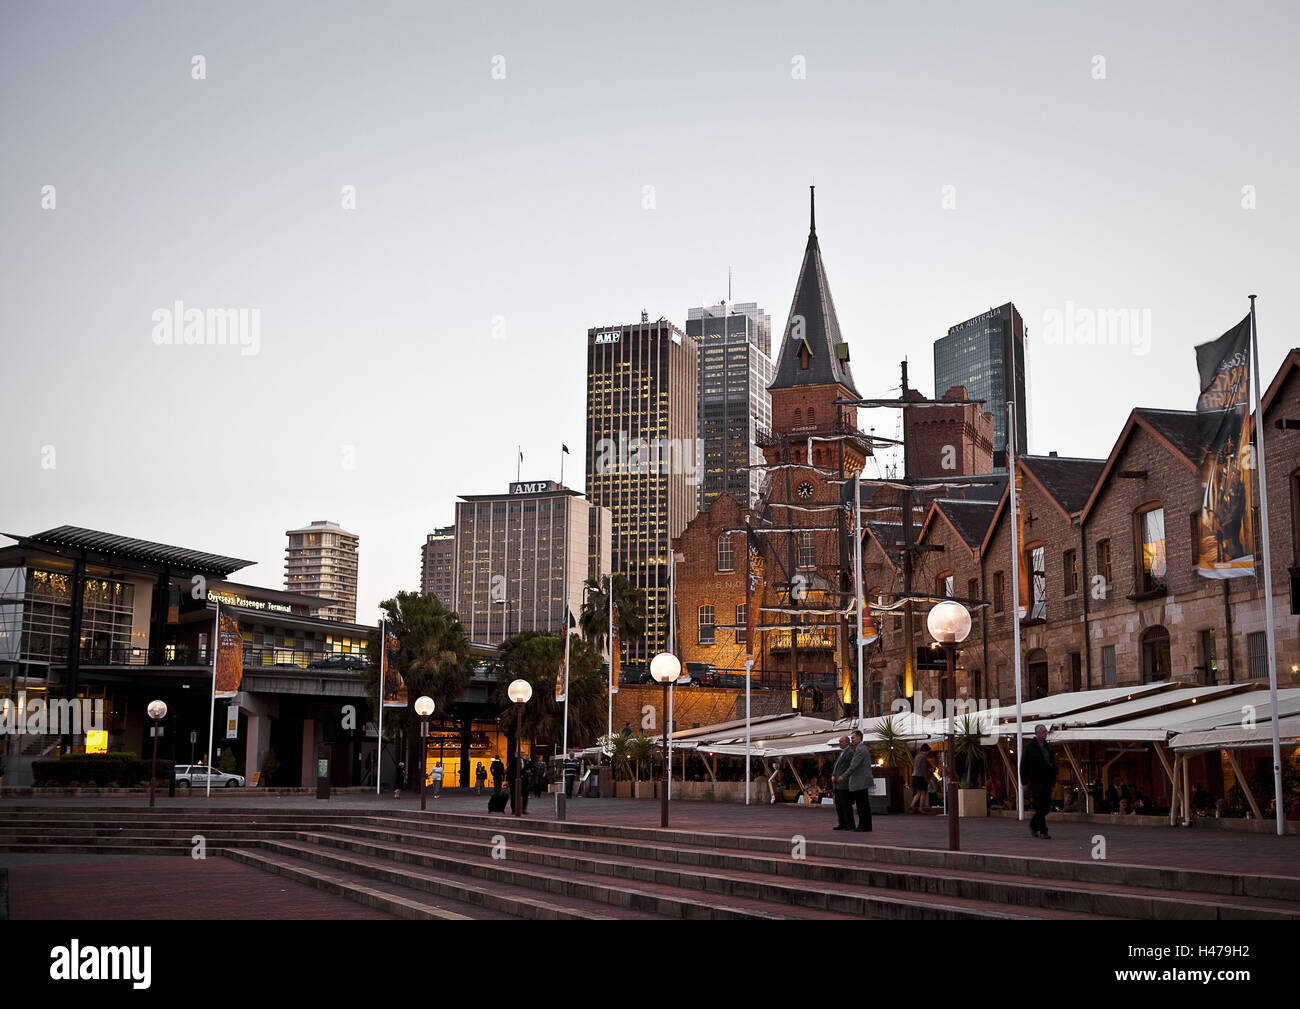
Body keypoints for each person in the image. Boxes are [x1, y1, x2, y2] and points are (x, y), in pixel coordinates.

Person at [1021, 724, 1057, 838]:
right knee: (1040, 806)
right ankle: (1043, 830)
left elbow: (1052, 763)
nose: (1045, 733)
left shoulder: (1048, 747)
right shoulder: (1029, 747)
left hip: (1047, 780)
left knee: (1046, 807)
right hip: (1035, 781)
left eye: (1046, 731)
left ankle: (1033, 824)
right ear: (1037, 734)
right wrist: (1024, 782)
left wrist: (1053, 779)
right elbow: (1023, 765)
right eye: (1043, 732)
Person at [846, 730, 875, 831]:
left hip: (860, 781)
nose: (852, 740)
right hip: (862, 781)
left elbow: (853, 766)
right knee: (863, 805)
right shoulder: (860, 749)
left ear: (859, 737)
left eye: (853, 738)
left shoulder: (861, 750)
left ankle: (863, 826)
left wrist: (843, 776)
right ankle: (866, 826)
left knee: (862, 805)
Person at [831, 736, 855, 830]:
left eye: (841, 741)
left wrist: (841, 777)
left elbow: (848, 768)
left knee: (846, 805)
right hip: (837, 784)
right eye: (839, 741)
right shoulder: (841, 753)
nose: (839, 743)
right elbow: (836, 767)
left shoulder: (850, 753)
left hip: (844, 783)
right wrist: (833, 775)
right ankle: (842, 823)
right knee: (839, 805)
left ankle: (849, 824)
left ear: (847, 743)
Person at [910, 744, 932, 814]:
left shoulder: (917, 756)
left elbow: (916, 766)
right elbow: (923, 769)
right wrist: (926, 778)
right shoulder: (923, 757)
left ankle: (912, 805)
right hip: (921, 777)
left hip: (915, 776)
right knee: (923, 793)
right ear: (926, 750)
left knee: (918, 792)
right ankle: (921, 808)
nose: (928, 752)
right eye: (928, 751)